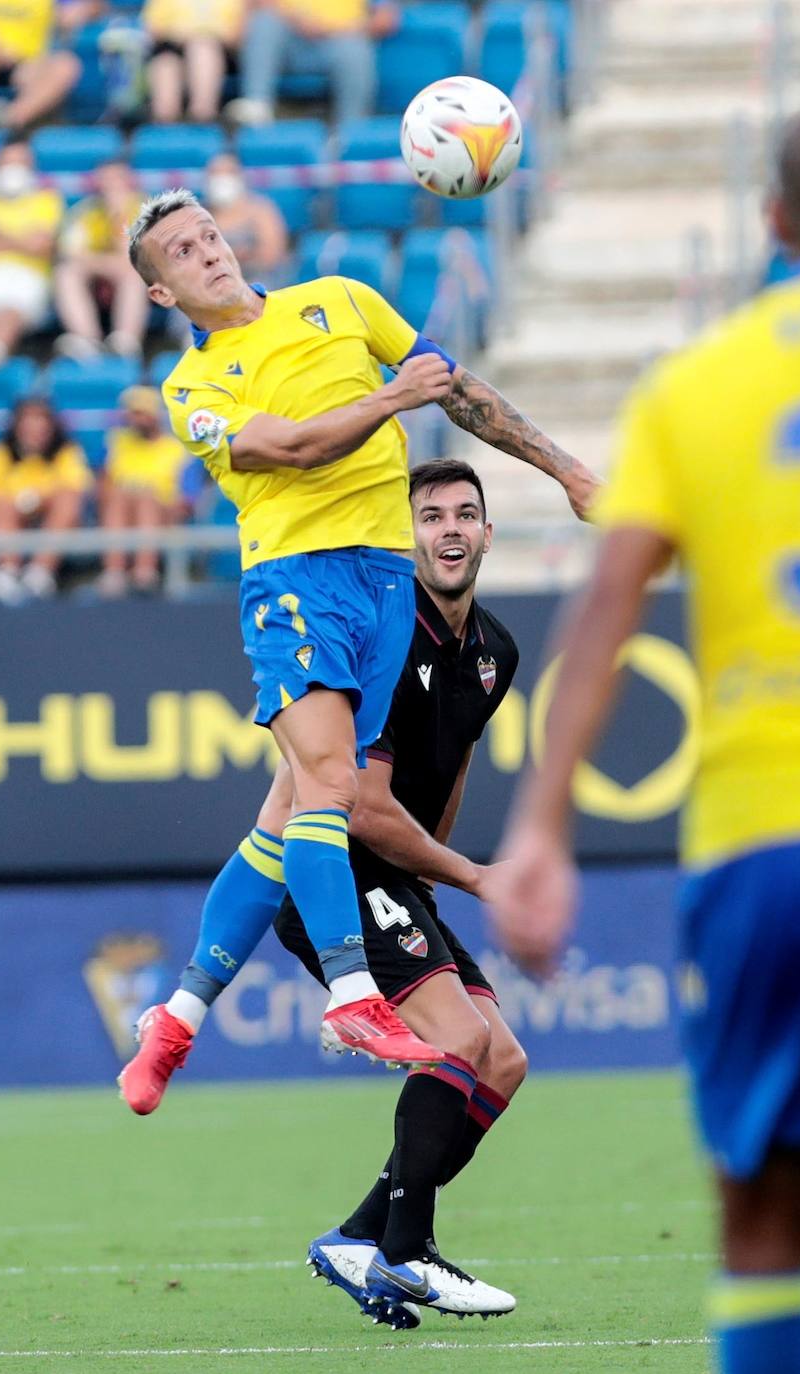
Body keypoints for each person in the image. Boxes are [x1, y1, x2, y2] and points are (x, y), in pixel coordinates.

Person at [118, 186, 596, 1099]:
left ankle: (176, 1022)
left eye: (209, 235)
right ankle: (349, 990)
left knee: (291, 807)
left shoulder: (338, 300)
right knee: (333, 784)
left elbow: (457, 392)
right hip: (298, 578)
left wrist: (568, 471)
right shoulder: (195, 387)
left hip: (385, 578)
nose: (207, 252)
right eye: (180, 254)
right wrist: (393, 396)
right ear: (161, 295)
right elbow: (292, 449)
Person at [488, 111, 800, 1374]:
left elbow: (605, 610)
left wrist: (542, 827)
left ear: (773, 220)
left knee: (764, 1220)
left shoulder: (698, 383)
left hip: (758, 849)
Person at [276, 460, 526, 1324]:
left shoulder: (496, 650)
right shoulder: (386, 634)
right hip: (339, 874)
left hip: (399, 876)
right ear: (408, 535)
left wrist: (433, 872)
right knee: (458, 1038)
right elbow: (363, 806)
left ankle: (358, 1236)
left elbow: (449, 767)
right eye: (430, 516)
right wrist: (474, 877)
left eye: (466, 514)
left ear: (489, 533)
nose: (450, 529)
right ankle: (407, 1248)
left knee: (503, 1059)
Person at [0, 397, 90, 603]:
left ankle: (40, 572)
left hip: (56, 525)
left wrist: (35, 501)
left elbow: (77, 490)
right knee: (3, 503)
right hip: (4, 524)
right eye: (28, 424)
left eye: (41, 424)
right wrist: (16, 506)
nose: (35, 431)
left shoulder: (67, 453)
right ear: (17, 427)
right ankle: (7, 571)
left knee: (66, 499)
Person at [226, 0, 398, 128]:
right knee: (264, 22)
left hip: (342, 41)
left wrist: (335, 28)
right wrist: (298, 20)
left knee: (356, 50)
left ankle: (352, 132)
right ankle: (257, 106)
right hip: (290, 37)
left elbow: (386, 19)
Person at [0, 141, 63, 380]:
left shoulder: (46, 200)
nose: (14, 168)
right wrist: (22, 240)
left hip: (30, 276)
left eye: (21, 162)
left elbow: (42, 246)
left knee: (9, 315)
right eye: (8, 162)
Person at [96, 385, 190, 597]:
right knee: (119, 497)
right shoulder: (115, 442)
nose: (134, 419)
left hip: (164, 515)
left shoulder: (175, 448)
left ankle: (144, 571)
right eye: (130, 413)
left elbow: (187, 499)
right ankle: (114, 571)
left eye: (139, 413)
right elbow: (102, 485)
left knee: (146, 500)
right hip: (120, 511)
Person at [54, 160, 147, 362]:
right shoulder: (85, 211)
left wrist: (118, 217)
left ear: (130, 182)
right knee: (67, 272)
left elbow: (134, 257)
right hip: (96, 277)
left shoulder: (147, 210)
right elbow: (71, 254)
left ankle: (126, 340)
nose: (110, 186)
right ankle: (87, 339)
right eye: (105, 180)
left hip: (140, 278)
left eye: (116, 180)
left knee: (133, 272)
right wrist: (104, 263)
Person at [0, 0, 89, 130]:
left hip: (25, 65)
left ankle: (4, 122)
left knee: (66, 64)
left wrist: (84, 10)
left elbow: (74, 14)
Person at [142, 0, 244, 123]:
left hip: (219, 53)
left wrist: (198, 36)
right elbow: (154, 31)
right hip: (173, 49)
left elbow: (236, 36)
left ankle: (202, 118)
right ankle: (165, 124)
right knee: (165, 64)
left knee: (201, 50)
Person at [205, 152, 290, 291]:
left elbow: (272, 255)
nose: (221, 179)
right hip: (213, 285)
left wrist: (238, 258)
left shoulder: (261, 210)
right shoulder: (200, 215)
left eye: (229, 172)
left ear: (240, 176)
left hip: (257, 281)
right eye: (215, 173)